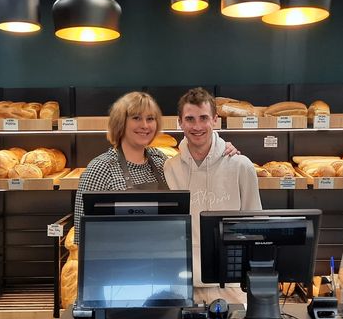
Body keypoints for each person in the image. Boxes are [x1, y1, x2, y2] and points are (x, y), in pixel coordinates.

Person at [72, 91, 239, 245]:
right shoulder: (100, 169)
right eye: (136, 118)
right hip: (118, 263)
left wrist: (221, 150)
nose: (145, 125)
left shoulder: (161, 162)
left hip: (162, 256)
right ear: (120, 123)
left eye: (150, 119)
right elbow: (82, 238)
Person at [164, 87, 262, 292]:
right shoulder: (169, 168)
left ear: (215, 120)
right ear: (180, 122)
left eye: (204, 118)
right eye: (190, 119)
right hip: (182, 281)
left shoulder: (241, 166)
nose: (197, 126)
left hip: (232, 283)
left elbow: (256, 226)